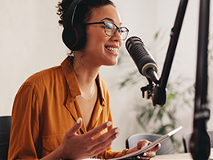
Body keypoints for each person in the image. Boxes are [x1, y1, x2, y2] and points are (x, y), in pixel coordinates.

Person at [8, 0, 161, 159]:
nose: (118, 38)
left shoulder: (102, 90)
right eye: (107, 26)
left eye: (119, 29)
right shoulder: (36, 90)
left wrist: (132, 153)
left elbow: (99, 156)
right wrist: (62, 154)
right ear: (77, 32)